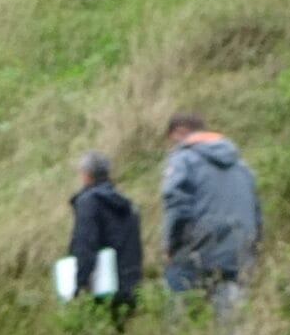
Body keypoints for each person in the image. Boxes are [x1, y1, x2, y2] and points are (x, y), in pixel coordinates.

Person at [159, 115, 262, 317]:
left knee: (180, 319)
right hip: (237, 253)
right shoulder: (242, 166)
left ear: (179, 132)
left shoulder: (183, 160)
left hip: (195, 252)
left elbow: (177, 205)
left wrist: (169, 244)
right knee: (230, 323)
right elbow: (257, 214)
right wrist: (252, 249)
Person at [65, 152, 143, 321]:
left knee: (95, 334)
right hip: (128, 284)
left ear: (86, 174)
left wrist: (79, 285)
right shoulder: (125, 203)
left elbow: (85, 246)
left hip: (101, 290)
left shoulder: (88, 202)